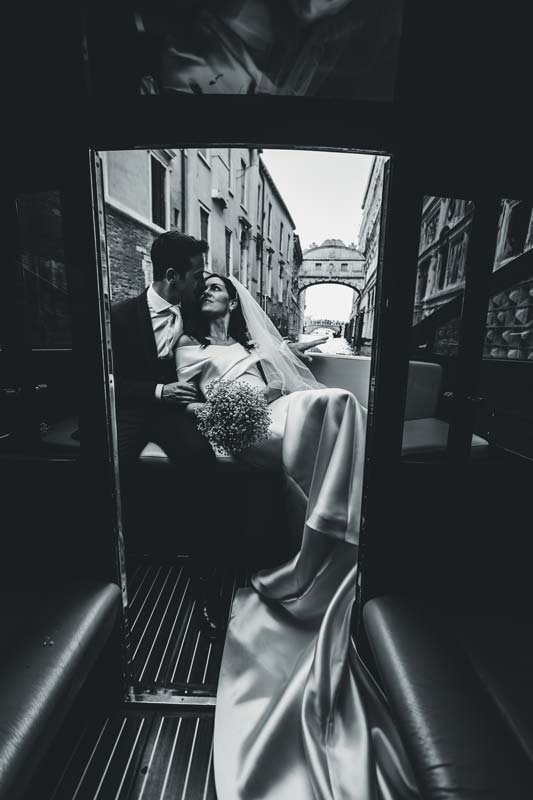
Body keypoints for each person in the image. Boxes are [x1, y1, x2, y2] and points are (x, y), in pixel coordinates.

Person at [174, 275, 419, 799]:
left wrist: (271, 386)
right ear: (196, 301)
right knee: (333, 405)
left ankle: (333, 527)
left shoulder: (244, 343)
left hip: (273, 410)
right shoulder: (187, 346)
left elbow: (282, 365)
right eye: (208, 286)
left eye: (221, 286)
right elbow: (193, 403)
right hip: (241, 427)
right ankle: (344, 531)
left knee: (334, 403)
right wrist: (225, 415)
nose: (215, 290)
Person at [111, 231, 223, 636]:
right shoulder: (119, 316)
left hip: (176, 413)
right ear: (172, 276)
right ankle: (114, 575)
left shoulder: (196, 309)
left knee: (201, 460)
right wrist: (158, 390)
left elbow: (232, 339)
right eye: (196, 274)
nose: (202, 280)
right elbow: (109, 380)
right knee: (112, 470)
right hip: (133, 407)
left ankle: (205, 580)